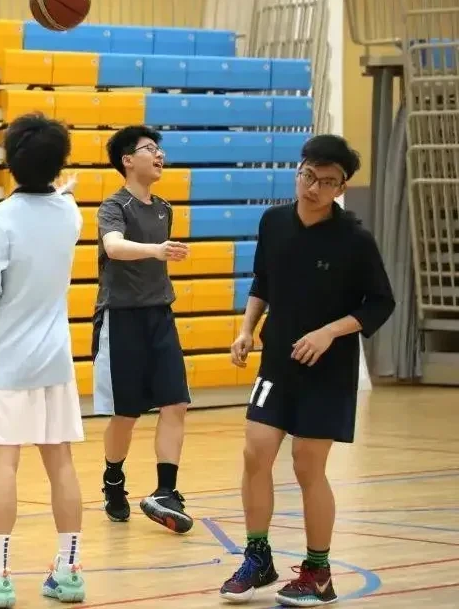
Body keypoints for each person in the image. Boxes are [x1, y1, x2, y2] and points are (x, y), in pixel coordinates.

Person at [219, 134, 395, 606]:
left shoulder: (354, 239)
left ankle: (319, 572)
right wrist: (246, 328)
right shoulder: (274, 221)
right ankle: (258, 558)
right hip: (277, 362)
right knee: (255, 452)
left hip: (327, 369)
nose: (314, 187)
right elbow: (263, 281)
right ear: (299, 172)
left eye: (327, 181)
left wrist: (329, 332)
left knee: (306, 465)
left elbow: (381, 303)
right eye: (308, 176)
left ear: (341, 188)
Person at [0, 113, 87, 608]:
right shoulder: (71, 214)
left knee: (2, 462)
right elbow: (61, 199)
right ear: (59, 165)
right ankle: (70, 571)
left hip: (10, 361)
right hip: (57, 359)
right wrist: (63, 186)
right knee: (61, 463)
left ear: (10, 162)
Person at [91, 125, 194, 534]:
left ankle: (167, 491)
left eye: (160, 149)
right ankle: (113, 479)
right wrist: (155, 250)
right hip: (122, 317)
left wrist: (158, 252)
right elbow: (114, 247)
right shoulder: (113, 206)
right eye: (150, 149)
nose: (159, 155)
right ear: (127, 160)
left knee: (176, 404)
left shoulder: (164, 207)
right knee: (125, 414)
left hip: (160, 315)